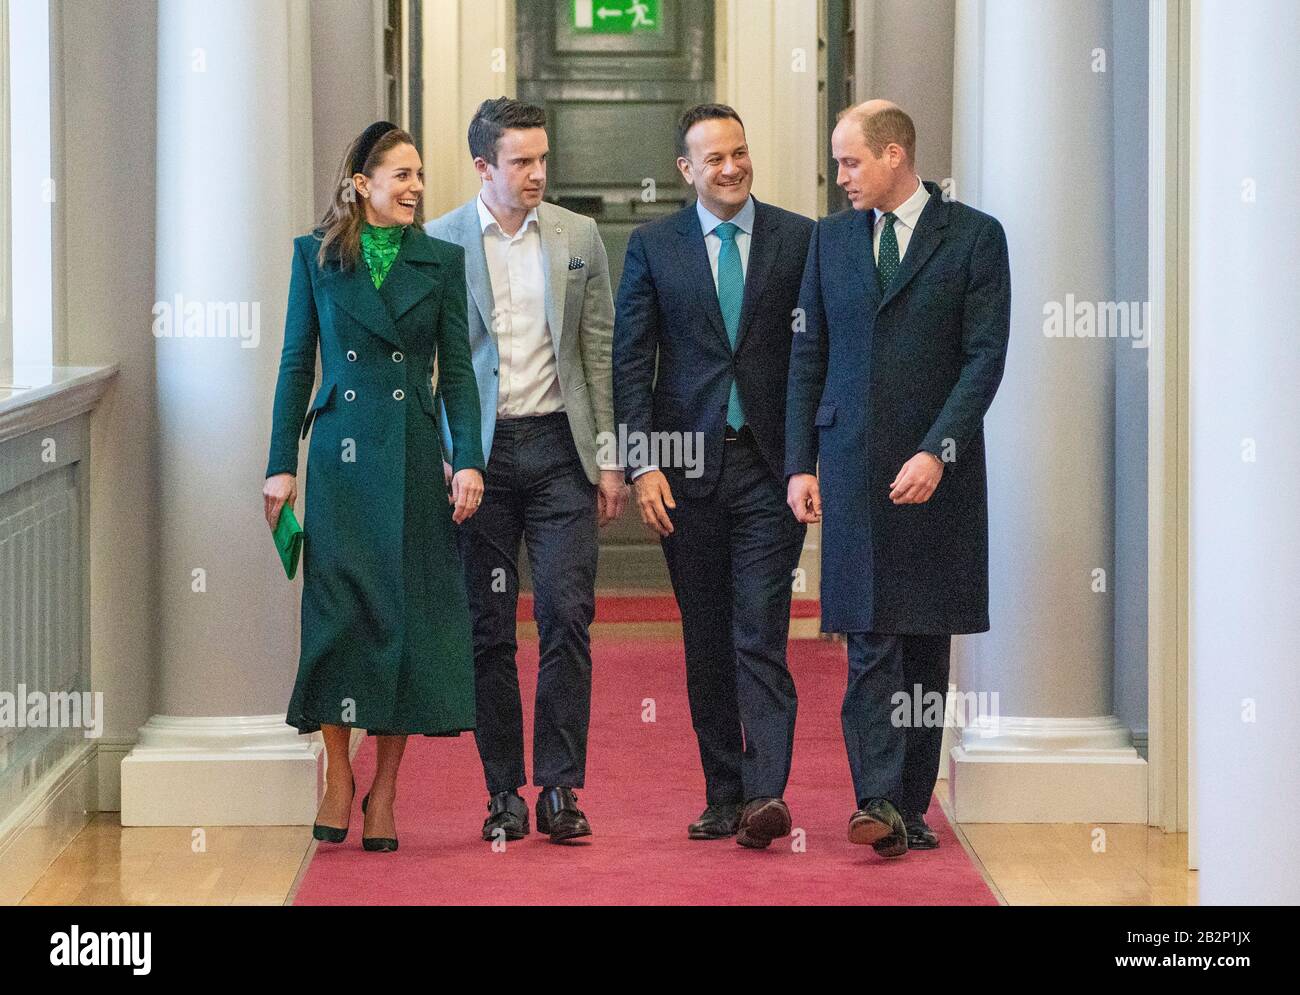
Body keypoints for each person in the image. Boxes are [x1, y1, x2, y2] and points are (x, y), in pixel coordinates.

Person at [785, 101, 1011, 857]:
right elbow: (807, 357)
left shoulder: (976, 237)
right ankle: (876, 797)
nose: (840, 176)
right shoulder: (832, 239)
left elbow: (984, 359)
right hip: (849, 468)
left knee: (922, 639)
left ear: (892, 155)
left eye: (850, 161)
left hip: (936, 476)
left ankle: (911, 805)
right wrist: (798, 463)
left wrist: (937, 448)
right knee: (868, 634)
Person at [263, 121, 485, 853]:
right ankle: (336, 770)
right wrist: (279, 463)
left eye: (420, 175)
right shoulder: (316, 257)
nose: (417, 187)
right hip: (337, 459)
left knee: (402, 624)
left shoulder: (441, 262)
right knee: (336, 621)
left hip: (413, 457)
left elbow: (455, 371)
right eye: (402, 175)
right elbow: (298, 363)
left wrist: (471, 458)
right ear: (363, 185)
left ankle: (385, 789)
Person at [425, 97, 627, 844]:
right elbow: (428, 365)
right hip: (479, 460)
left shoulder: (579, 236)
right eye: (522, 161)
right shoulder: (440, 241)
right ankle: (503, 789)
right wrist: (451, 454)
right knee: (488, 629)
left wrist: (610, 457)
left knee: (568, 617)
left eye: (544, 159)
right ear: (484, 167)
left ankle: (561, 788)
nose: (539, 173)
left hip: (559, 453)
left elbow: (598, 351)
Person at [614, 104, 814, 848]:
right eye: (715, 158)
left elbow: (813, 351)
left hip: (770, 465)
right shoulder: (653, 246)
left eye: (740, 152)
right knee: (705, 635)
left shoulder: (800, 238)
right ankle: (723, 792)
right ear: (685, 171)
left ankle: (767, 794)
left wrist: (808, 460)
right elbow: (631, 364)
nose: (731, 168)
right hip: (685, 468)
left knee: (759, 629)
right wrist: (642, 463)